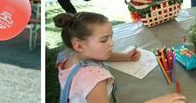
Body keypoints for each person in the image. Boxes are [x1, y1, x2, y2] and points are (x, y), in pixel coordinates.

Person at [54, 12, 187, 103]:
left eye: (111, 36)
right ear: (79, 46)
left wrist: (125, 57)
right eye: (104, 40)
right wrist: (159, 101)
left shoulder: (70, 55)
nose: (111, 43)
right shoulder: (94, 80)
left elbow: (100, 57)